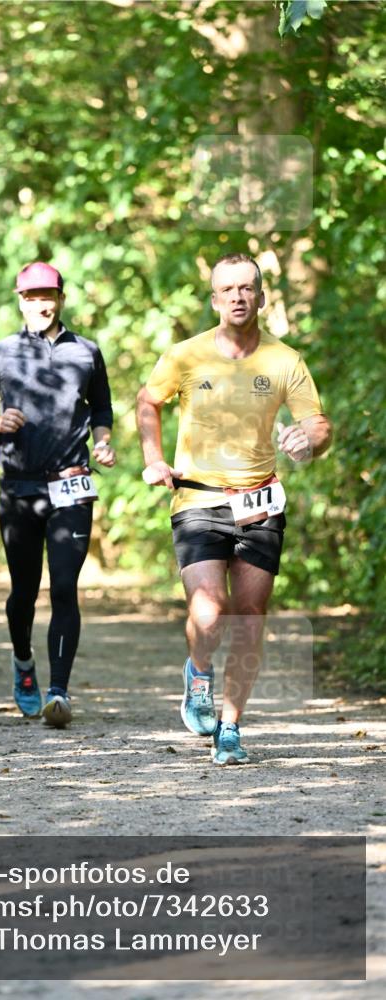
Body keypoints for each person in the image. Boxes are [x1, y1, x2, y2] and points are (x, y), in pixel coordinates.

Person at [136, 253, 332, 765]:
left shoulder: (284, 360)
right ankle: (198, 672)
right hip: (198, 497)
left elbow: (319, 425)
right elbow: (147, 401)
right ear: (215, 299)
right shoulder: (185, 356)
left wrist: (305, 439)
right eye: (228, 289)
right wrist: (154, 458)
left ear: (262, 297)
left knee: (250, 617)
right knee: (210, 609)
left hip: (260, 501)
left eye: (248, 288)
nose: (239, 296)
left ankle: (230, 726)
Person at [0, 262, 116, 728]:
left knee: (65, 587)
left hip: (72, 483)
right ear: (19, 299)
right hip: (19, 488)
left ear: (61, 298)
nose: (40, 303)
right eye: (31, 296)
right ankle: (25, 662)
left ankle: (59, 692)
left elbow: (102, 407)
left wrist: (104, 440)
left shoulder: (87, 352)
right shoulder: (0, 354)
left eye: (48, 295)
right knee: (24, 591)